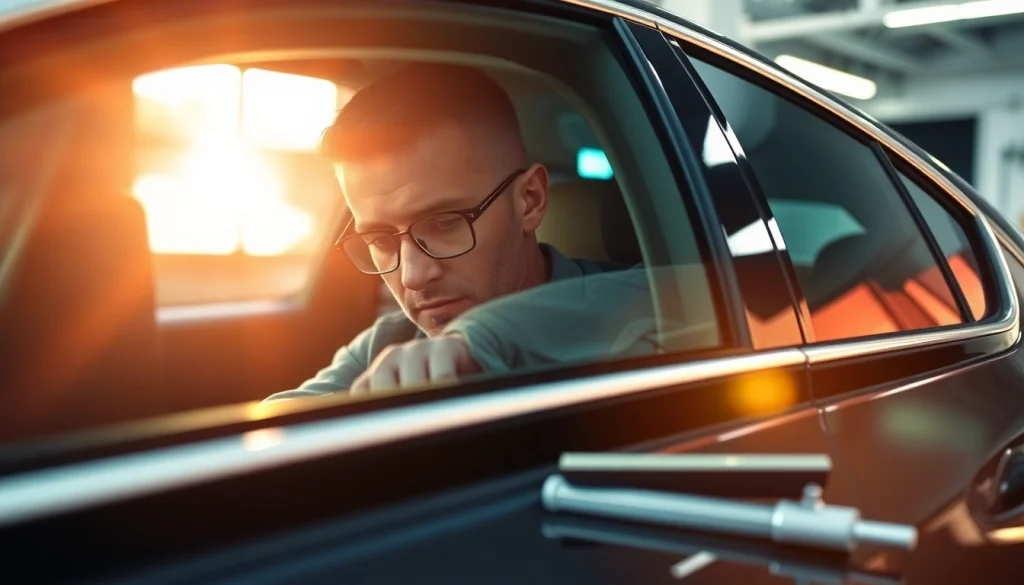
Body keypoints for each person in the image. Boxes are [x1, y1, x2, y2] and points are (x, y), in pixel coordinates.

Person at [266, 63, 655, 402]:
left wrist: (483, 337)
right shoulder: (386, 345)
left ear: (530, 201)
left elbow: (679, 288)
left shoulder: (643, 308)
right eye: (380, 241)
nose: (412, 276)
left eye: (444, 223)